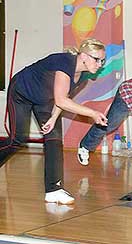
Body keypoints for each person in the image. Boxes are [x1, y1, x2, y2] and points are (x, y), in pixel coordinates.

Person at [2, 38, 108, 204]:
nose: (100, 64)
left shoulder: (82, 77)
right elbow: (61, 100)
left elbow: (63, 97)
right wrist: (92, 113)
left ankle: (53, 190)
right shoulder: (64, 61)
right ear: (83, 56)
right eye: (97, 59)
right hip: (21, 93)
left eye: (103, 60)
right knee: (17, 140)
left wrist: (53, 117)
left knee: (54, 139)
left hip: (45, 100)